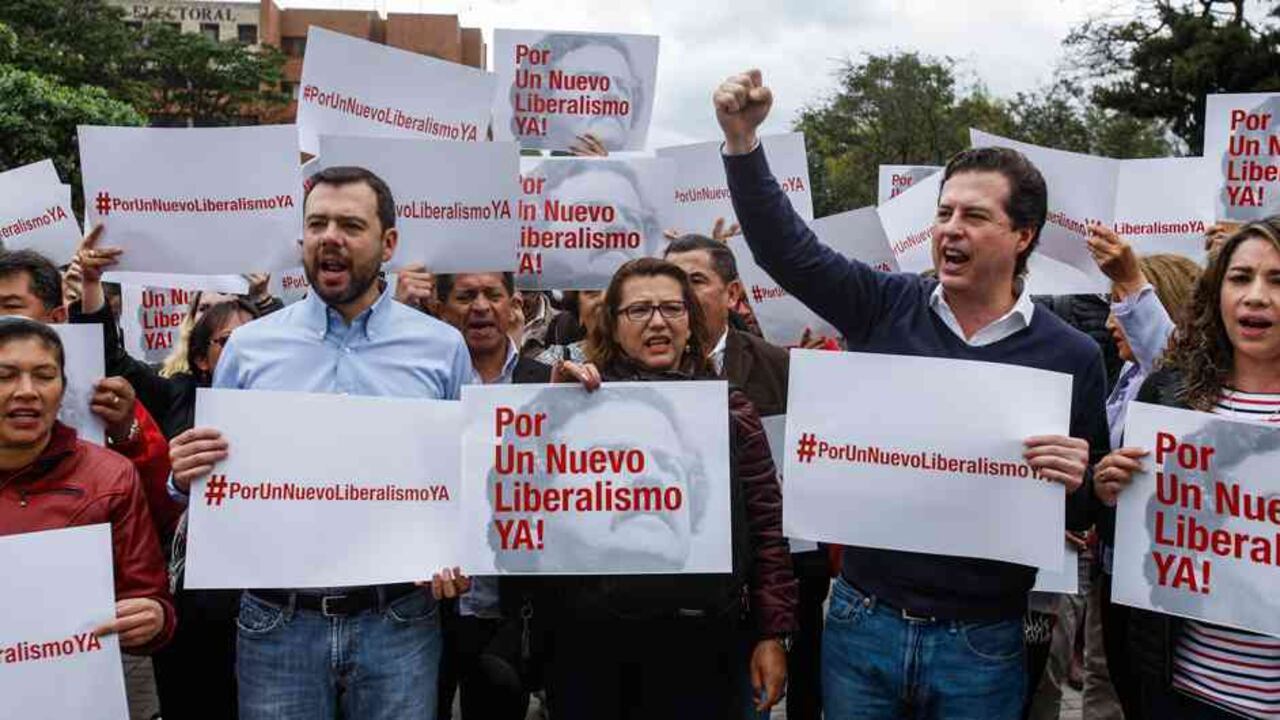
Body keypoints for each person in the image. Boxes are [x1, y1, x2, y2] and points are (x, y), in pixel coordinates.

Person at [714, 69, 1109, 717]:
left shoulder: (1072, 356)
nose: (950, 229)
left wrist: (1080, 479)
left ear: (1023, 236)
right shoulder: (882, 307)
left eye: (975, 216)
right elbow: (786, 253)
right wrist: (742, 143)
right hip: (861, 627)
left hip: (983, 644)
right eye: (943, 213)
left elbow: (1083, 510)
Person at [167, 165, 473, 720]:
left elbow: (469, 475)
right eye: (317, 224)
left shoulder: (442, 347)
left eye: (350, 225)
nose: (330, 236)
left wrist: (458, 550)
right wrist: (185, 472)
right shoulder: (250, 347)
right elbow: (216, 482)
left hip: (398, 620)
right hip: (277, 622)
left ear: (389, 244)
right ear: (302, 239)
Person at [544, 257, 796, 719]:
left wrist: (770, 635)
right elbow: (525, 509)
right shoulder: (574, 402)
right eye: (639, 311)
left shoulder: (731, 411)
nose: (658, 322)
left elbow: (767, 532)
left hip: (705, 647)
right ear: (613, 325)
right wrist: (549, 415)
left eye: (672, 309)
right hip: (593, 650)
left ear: (690, 322)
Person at [1095, 218, 1280, 719]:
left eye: (1277, 280)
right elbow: (1142, 537)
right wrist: (1114, 488)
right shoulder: (1174, 398)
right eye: (1240, 278)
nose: (1256, 296)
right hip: (1182, 691)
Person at [0, 317, 175, 654]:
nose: (26, 391)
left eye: (44, 376)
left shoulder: (110, 476)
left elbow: (148, 597)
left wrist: (152, 617)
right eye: (5, 376)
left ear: (63, 388)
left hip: (73, 693)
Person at [1084, 224, 1202, 718]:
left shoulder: (1177, 379)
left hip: (1164, 582)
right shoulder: (1127, 378)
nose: (1113, 321)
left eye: (1122, 306)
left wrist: (1132, 281)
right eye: (1112, 305)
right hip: (1114, 568)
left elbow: (1176, 366)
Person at [432, 271, 550, 720]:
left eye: (492, 295)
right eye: (465, 296)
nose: (480, 306)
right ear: (442, 309)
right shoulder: (422, 384)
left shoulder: (549, 385)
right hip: (431, 605)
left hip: (511, 606)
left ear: (513, 304)